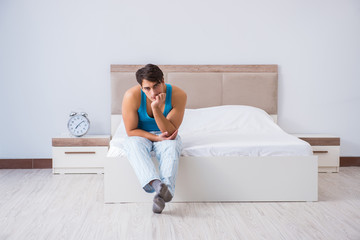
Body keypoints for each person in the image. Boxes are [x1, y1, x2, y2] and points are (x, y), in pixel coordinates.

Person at [122, 64, 187, 214]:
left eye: (156, 86)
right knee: (132, 145)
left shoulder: (179, 95)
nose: (153, 92)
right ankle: (159, 186)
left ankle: (162, 194)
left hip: (166, 134)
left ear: (163, 80)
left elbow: (170, 131)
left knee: (171, 146)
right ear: (141, 87)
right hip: (140, 134)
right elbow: (131, 130)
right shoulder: (131, 96)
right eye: (147, 88)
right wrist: (155, 138)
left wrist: (156, 109)